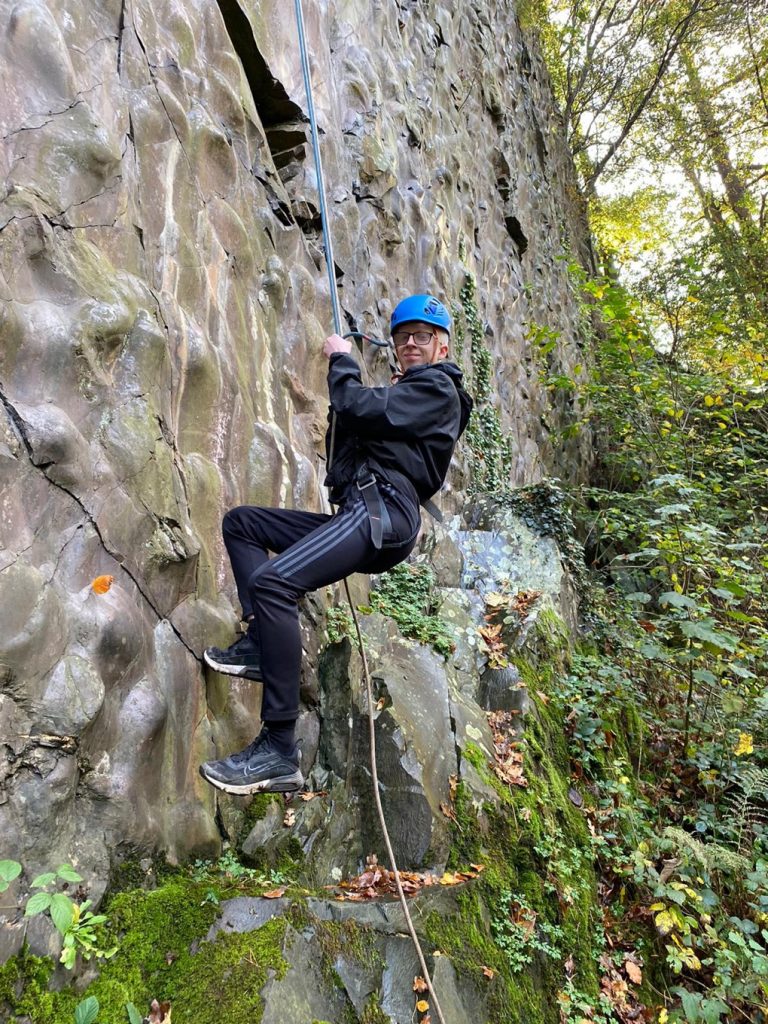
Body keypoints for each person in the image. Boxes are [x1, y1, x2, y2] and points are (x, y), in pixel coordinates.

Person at [199, 294, 473, 795]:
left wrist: (342, 359)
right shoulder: (410, 392)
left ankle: (279, 749)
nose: (410, 344)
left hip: (383, 513)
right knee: (243, 525)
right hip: (361, 511)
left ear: (443, 346)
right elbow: (357, 425)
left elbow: (354, 403)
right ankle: (262, 644)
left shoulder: (439, 388)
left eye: (422, 337)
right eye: (403, 337)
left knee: (273, 583)